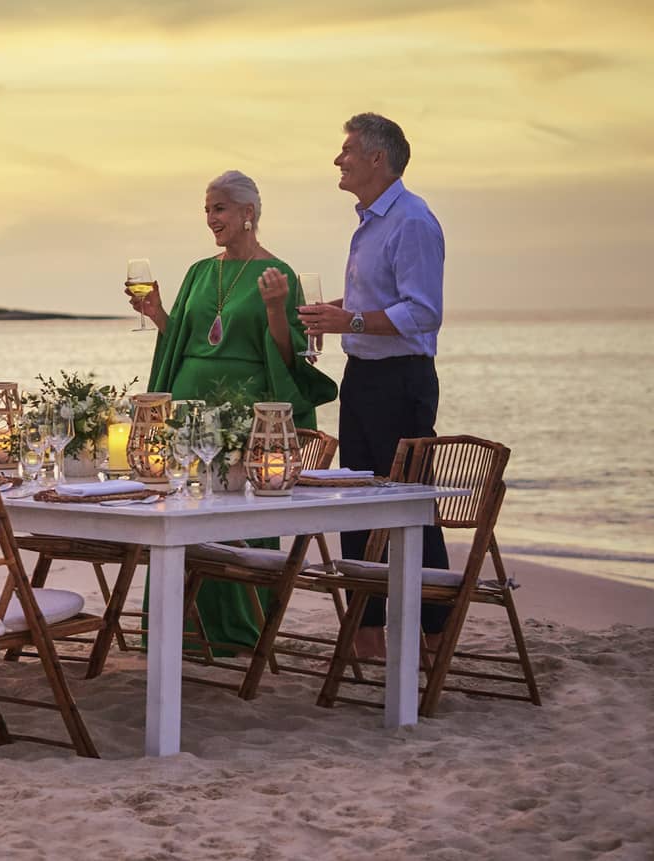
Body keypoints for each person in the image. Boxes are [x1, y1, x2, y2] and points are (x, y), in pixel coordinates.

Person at [128, 169, 337, 653]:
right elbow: (179, 340)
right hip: (188, 415)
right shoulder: (201, 271)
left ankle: (238, 630)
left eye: (219, 208)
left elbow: (290, 358)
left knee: (234, 512)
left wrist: (274, 310)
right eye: (206, 209)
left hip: (244, 414)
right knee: (180, 510)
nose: (211, 219)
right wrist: (157, 314)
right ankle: (178, 628)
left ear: (248, 214)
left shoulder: (278, 275)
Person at [297, 112, 448, 660]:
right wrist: (327, 313)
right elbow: (369, 305)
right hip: (360, 378)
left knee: (409, 508)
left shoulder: (412, 220)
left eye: (348, 150)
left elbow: (423, 313)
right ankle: (366, 637)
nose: (339, 159)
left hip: (400, 380)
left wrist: (350, 322)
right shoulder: (369, 223)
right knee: (355, 502)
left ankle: (434, 640)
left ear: (377, 158)